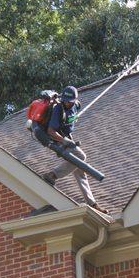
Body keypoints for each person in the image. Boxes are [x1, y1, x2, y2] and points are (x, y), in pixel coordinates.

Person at [40, 86, 108, 214]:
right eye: (65, 100)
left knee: (80, 168)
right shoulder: (58, 109)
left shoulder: (76, 105)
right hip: (57, 138)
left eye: (69, 101)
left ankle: (91, 203)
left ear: (74, 100)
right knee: (81, 157)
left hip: (67, 137)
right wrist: (63, 141)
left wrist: (73, 119)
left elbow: (71, 117)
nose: (67, 103)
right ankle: (52, 175)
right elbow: (50, 131)